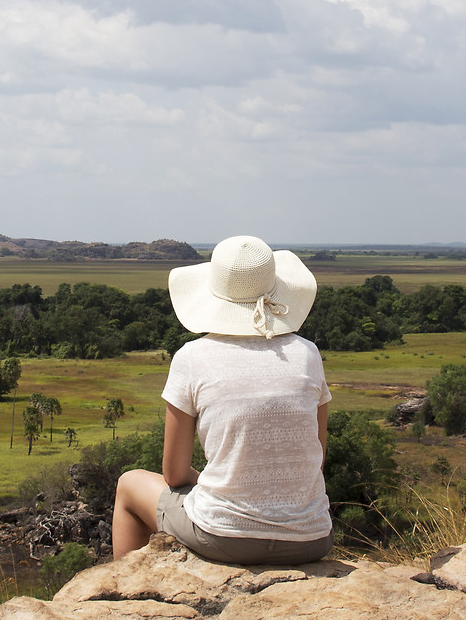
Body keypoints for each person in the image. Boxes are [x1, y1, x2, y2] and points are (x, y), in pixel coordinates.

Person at [111, 235, 333, 564]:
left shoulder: (192, 357)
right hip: (311, 538)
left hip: (225, 536)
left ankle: (125, 593)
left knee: (129, 484)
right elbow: (317, 456)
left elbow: (173, 474)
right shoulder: (307, 354)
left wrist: (219, 484)